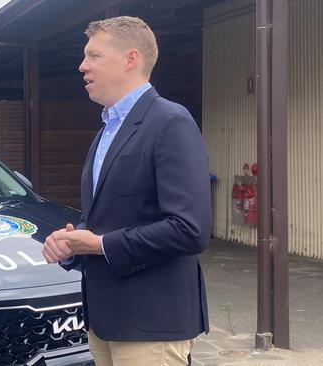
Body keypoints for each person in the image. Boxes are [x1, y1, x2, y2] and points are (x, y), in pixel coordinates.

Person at [42, 16, 211, 366]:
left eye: (94, 56)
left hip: (151, 325)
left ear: (130, 59)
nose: (82, 65)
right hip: (106, 322)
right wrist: (73, 244)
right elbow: (105, 218)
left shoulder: (170, 121)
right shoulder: (106, 131)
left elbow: (190, 230)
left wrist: (100, 244)